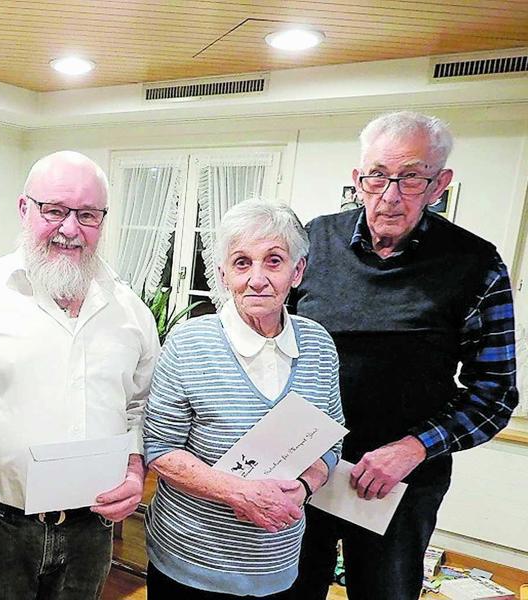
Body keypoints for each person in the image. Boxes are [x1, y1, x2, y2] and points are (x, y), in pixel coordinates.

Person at [289, 111, 519, 600]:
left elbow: (495, 394)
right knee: (289, 591)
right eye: (377, 176)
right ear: (358, 179)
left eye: (411, 178)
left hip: (399, 483)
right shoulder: (313, 243)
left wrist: (412, 449)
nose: (390, 195)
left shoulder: (476, 264)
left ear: (440, 184)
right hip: (305, 468)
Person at [0, 150, 160, 600]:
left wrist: (135, 470)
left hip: (90, 530)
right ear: (25, 209)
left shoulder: (129, 309)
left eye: (87, 215)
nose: (69, 228)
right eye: (55, 210)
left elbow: (139, 405)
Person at [142, 200, 344, 599]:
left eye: (273, 261)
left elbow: (331, 443)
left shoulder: (319, 345)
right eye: (241, 263)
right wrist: (239, 493)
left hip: (278, 563)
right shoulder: (188, 343)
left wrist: (304, 487)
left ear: (297, 271)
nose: (257, 279)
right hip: (189, 562)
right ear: (223, 275)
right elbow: (159, 449)